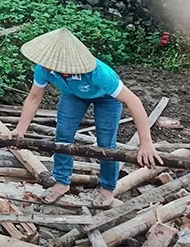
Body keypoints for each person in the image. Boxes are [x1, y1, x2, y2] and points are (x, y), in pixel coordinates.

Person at [12, 28, 162, 206]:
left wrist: (146, 143)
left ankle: (107, 189)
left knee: (106, 144)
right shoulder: (44, 68)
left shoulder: (98, 73)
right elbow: (34, 98)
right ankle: (61, 182)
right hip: (72, 94)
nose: (46, 66)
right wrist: (20, 130)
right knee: (63, 136)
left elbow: (134, 102)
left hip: (106, 98)